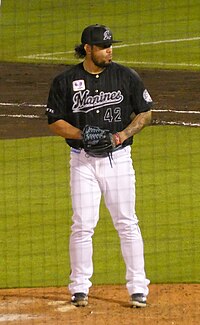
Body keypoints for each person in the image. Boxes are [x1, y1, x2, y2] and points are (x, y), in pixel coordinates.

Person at [46, 24, 153, 308]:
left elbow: (145, 112)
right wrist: (81, 135)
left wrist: (121, 135)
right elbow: (54, 121)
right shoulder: (65, 81)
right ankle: (79, 288)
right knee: (82, 225)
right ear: (87, 49)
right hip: (82, 162)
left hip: (118, 161)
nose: (110, 50)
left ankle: (138, 288)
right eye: (104, 46)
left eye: (110, 45)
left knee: (127, 223)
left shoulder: (125, 76)